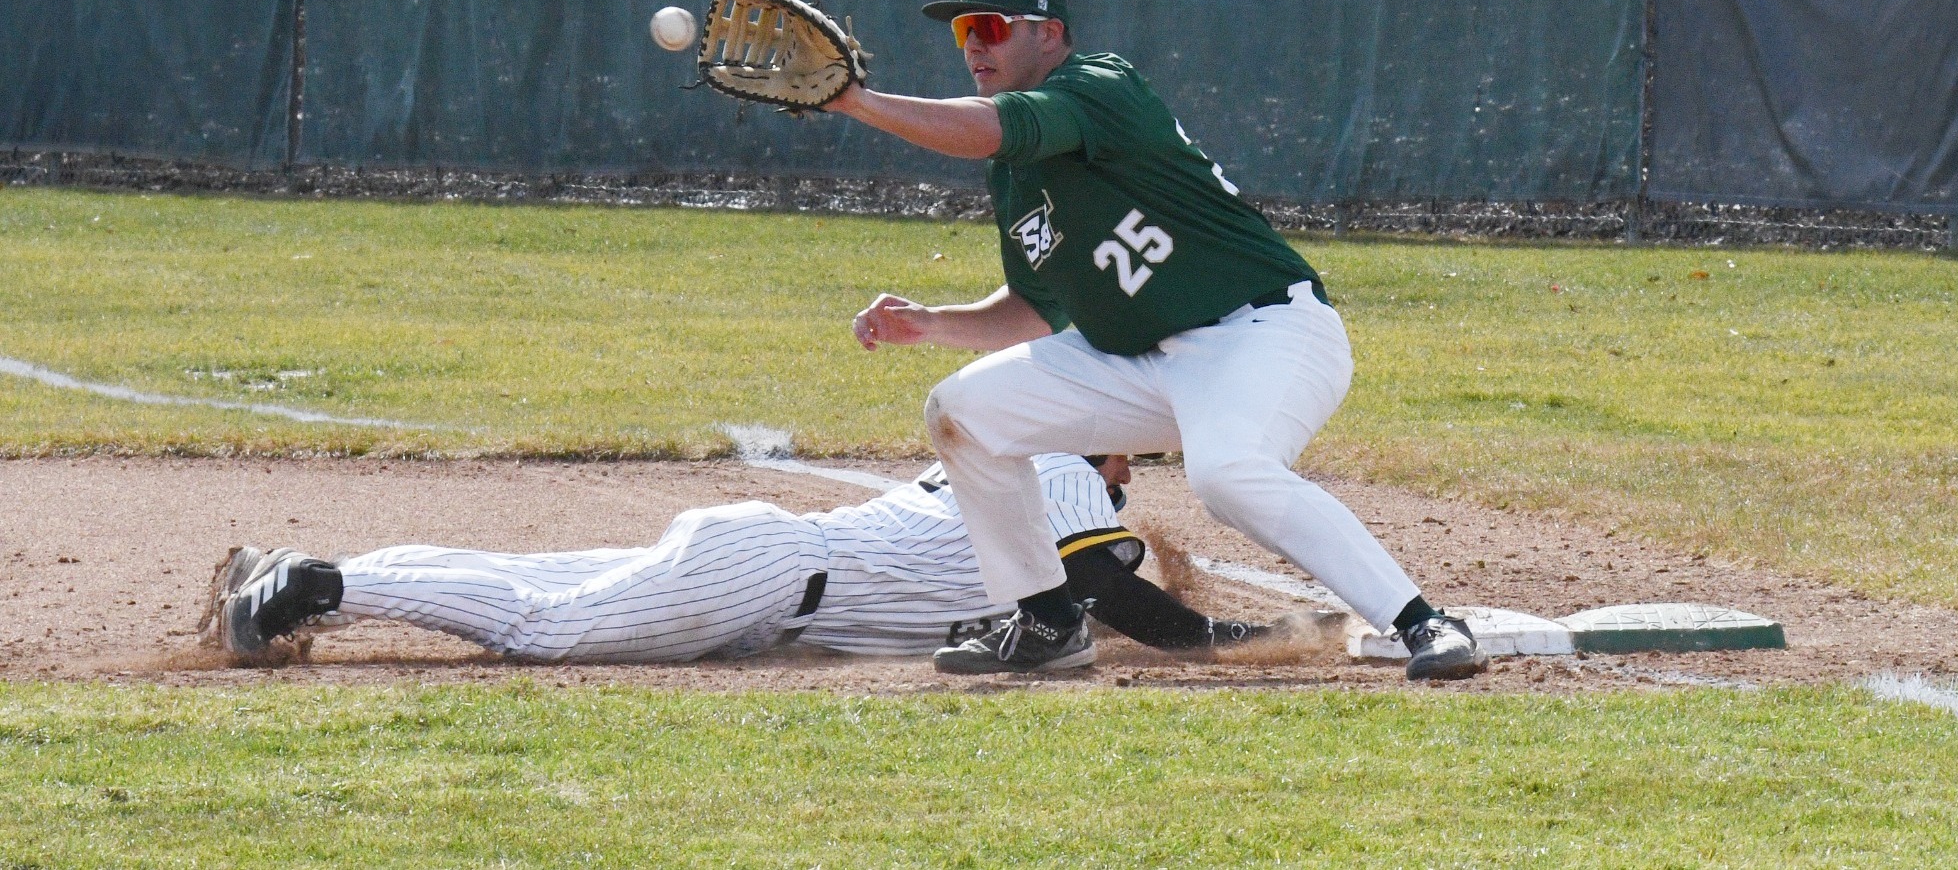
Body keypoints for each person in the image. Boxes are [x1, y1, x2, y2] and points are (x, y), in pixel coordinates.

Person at [825, 0, 1487, 681]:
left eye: (989, 25)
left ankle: (1423, 621)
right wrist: (931, 321)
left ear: (1049, 34)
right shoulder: (1014, 171)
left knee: (1227, 473)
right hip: (1143, 360)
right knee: (964, 409)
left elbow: (989, 128)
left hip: (1262, 331)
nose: (973, 44)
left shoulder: (1098, 86)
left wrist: (859, 101)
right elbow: (1036, 306)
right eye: (962, 32)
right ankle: (1046, 618)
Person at [206, 453, 1273, 664]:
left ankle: (320, 573)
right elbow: (1106, 595)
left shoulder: (1021, 464)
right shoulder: (1064, 471)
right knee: (550, 627)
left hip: (767, 570)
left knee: (539, 580)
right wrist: (1244, 641)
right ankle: (318, 584)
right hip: (766, 577)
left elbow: (1077, 600)